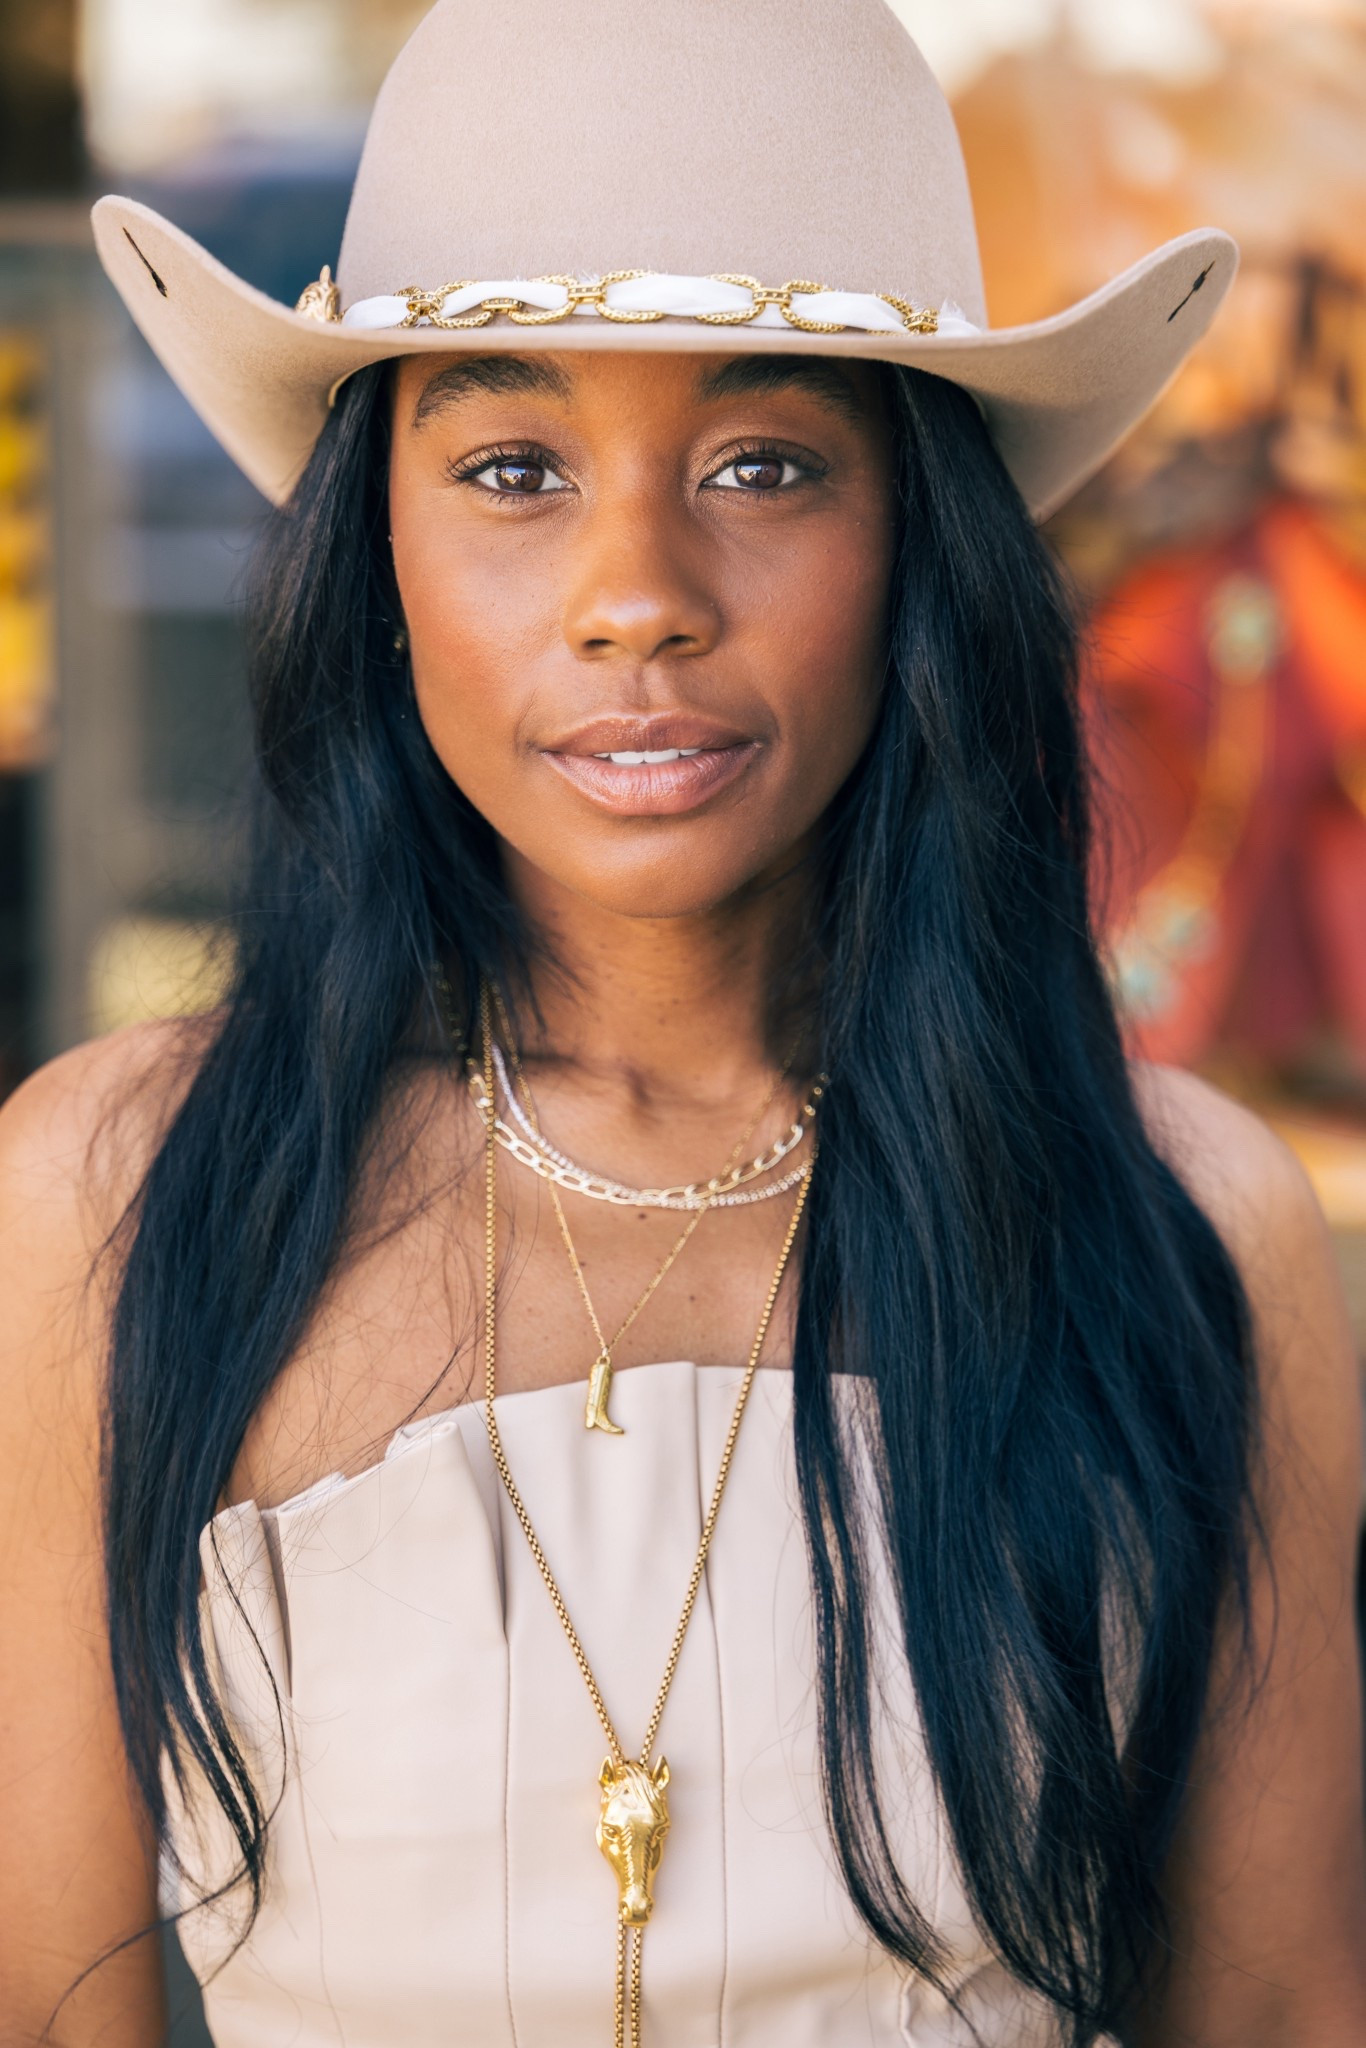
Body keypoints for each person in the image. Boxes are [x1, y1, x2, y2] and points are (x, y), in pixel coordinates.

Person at [2, 3, 1364, 2044]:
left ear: (919, 539)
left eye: (761, 462)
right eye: (512, 467)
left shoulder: (1185, 1222)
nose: (636, 592)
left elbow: (1268, 2005)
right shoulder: (107, 1200)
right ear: (372, 546)